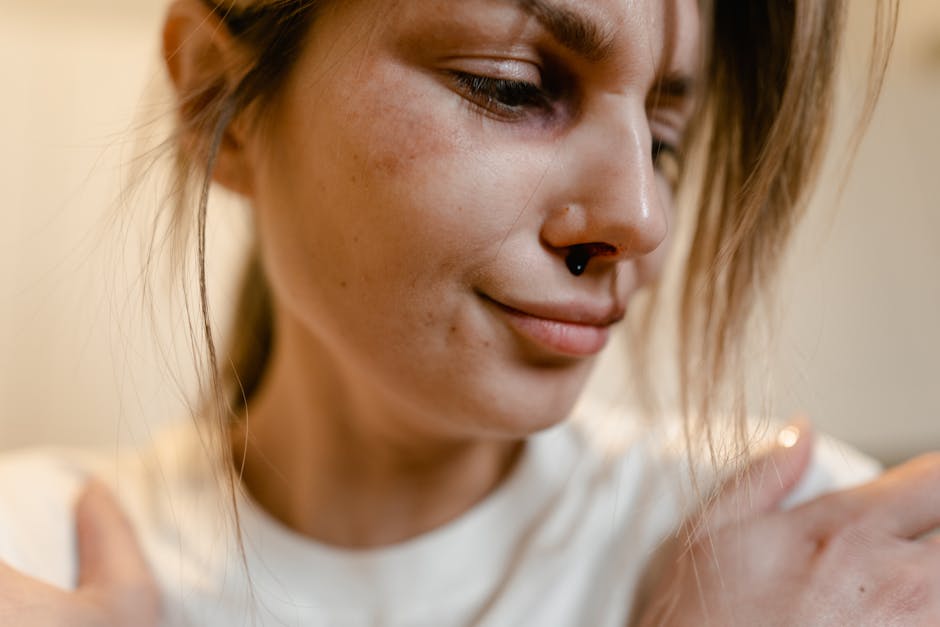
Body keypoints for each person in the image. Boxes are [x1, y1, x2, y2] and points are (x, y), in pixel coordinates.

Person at [0, 0, 936, 625]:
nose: (644, 219)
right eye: (511, 87)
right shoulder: (36, 552)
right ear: (222, 99)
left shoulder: (809, 550)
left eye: (663, 144)